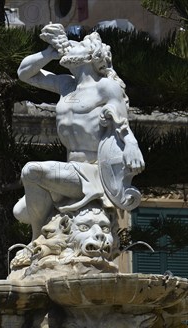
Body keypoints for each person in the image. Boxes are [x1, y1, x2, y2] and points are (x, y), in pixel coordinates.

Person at [13, 23, 144, 240]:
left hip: (91, 171)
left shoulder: (105, 87)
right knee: (20, 212)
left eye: (79, 43)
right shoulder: (65, 84)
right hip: (69, 167)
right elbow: (24, 73)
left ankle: (36, 244)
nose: (71, 44)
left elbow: (123, 124)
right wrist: (49, 53)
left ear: (92, 55)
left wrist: (132, 146)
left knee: (31, 171)